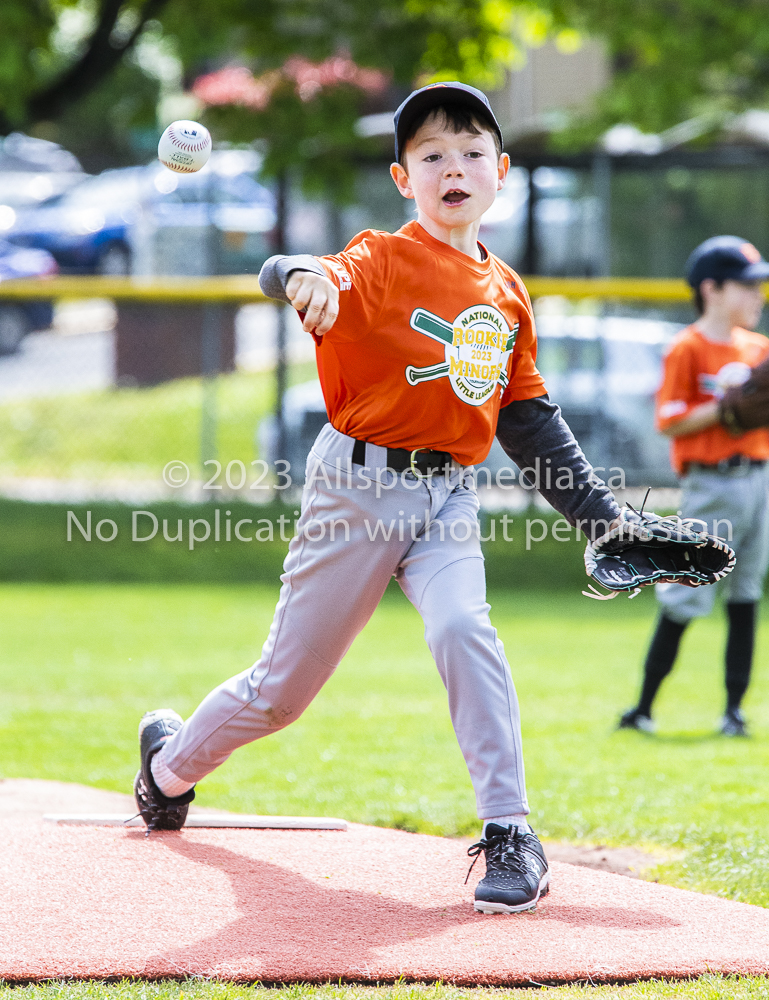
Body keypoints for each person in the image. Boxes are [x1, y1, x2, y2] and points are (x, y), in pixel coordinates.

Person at [134, 82, 623, 914]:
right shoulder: (383, 258)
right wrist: (301, 277)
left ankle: (510, 830)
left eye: (471, 152)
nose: (453, 167)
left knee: (465, 626)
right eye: (431, 154)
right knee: (280, 691)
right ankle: (168, 767)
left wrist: (604, 521)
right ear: (405, 179)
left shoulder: (506, 293)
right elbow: (301, 268)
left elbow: (528, 417)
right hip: (355, 489)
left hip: (447, 497)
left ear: (500, 172)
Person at [619, 236, 769, 738]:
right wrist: (728, 408)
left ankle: (734, 712)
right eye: (748, 285)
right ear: (711, 289)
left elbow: (768, 425)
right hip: (710, 488)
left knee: (747, 594)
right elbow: (669, 421)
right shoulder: (687, 348)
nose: (760, 296)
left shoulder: (760, 349)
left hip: (758, 480)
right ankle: (642, 709)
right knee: (685, 595)